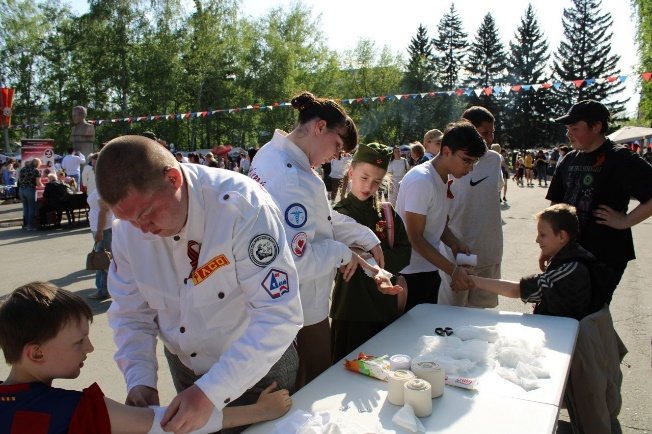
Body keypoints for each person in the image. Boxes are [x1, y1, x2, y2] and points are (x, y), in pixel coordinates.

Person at [95, 135, 303, 434]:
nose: (142, 231)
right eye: (128, 220)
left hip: (257, 369)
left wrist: (210, 392)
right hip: (186, 370)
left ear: (173, 179)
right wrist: (140, 380)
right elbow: (130, 314)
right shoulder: (129, 230)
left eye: (146, 214)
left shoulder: (242, 205)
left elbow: (278, 315)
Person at [0, 282, 292, 434]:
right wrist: (261, 412)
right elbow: (169, 424)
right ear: (36, 353)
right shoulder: (74, 410)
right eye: (79, 341)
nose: (90, 348)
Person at [248, 91, 390, 389]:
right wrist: (344, 253)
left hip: (280, 297)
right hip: (299, 304)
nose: (336, 157)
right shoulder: (293, 178)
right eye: (337, 146)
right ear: (320, 127)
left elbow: (320, 217)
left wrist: (364, 237)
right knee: (313, 385)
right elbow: (295, 261)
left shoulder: (270, 153)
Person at [547, 99, 652, 289]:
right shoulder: (569, 159)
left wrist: (626, 221)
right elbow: (555, 205)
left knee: (591, 305)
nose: (568, 134)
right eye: (568, 129)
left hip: (604, 256)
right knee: (560, 302)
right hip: (567, 251)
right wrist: (549, 244)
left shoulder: (622, 158)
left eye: (574, 128)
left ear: (596, 127)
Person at [330, 143, 410, 364]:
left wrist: (376, 264)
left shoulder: (387, 213)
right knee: (345, 371)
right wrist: (371, 263)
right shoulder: (337, 214)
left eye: (376, 181)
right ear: (351, 172)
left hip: (383, 307)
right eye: (364, 178)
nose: (368, 186)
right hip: (350, 308)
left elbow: (405, 251)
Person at [466, 204, 616, 320]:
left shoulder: (570, 269)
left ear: (562, 236)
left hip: (564, 337)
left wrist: (472, 280)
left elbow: (518, 290)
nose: (537, 240)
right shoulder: (571, 256)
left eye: (542, 235)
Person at [396, 121, 486, 312]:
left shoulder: (442, 177)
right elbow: (414, 238)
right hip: (410, 274)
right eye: (467, 160)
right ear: (446, 151)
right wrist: (453, 271)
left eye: (474, 162)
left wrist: (454, 243)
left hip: (428, 270)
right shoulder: (422, 180)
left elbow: (435, 223)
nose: (470, 168)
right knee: (412, 328)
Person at [443, 106, 504, 309]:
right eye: (485, 132)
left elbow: (495, 192)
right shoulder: (450, 162)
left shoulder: (494, 160)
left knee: (482, 314)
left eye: (492, 132)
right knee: (455, 312)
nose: (489, 138)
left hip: (489, 251)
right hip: (458, 251)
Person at [87, 187, 114, 300]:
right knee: (105, 259)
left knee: (103, 260)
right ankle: (105, 288)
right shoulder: (101, 186)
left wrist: (99, 231)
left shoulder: (101, 187)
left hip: (104, 228)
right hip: (104, 227)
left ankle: (103, 290)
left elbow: (104, 209)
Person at [18, 158, 43, 231]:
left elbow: (19, 180)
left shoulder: (23, 169)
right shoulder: (36, 171)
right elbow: (38, 183)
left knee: (25, 207)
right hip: (30, 189)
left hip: (21, 189)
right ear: (37, 164)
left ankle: (26, 224)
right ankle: (30, 225)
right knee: (31, 208)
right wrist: (43, 185)